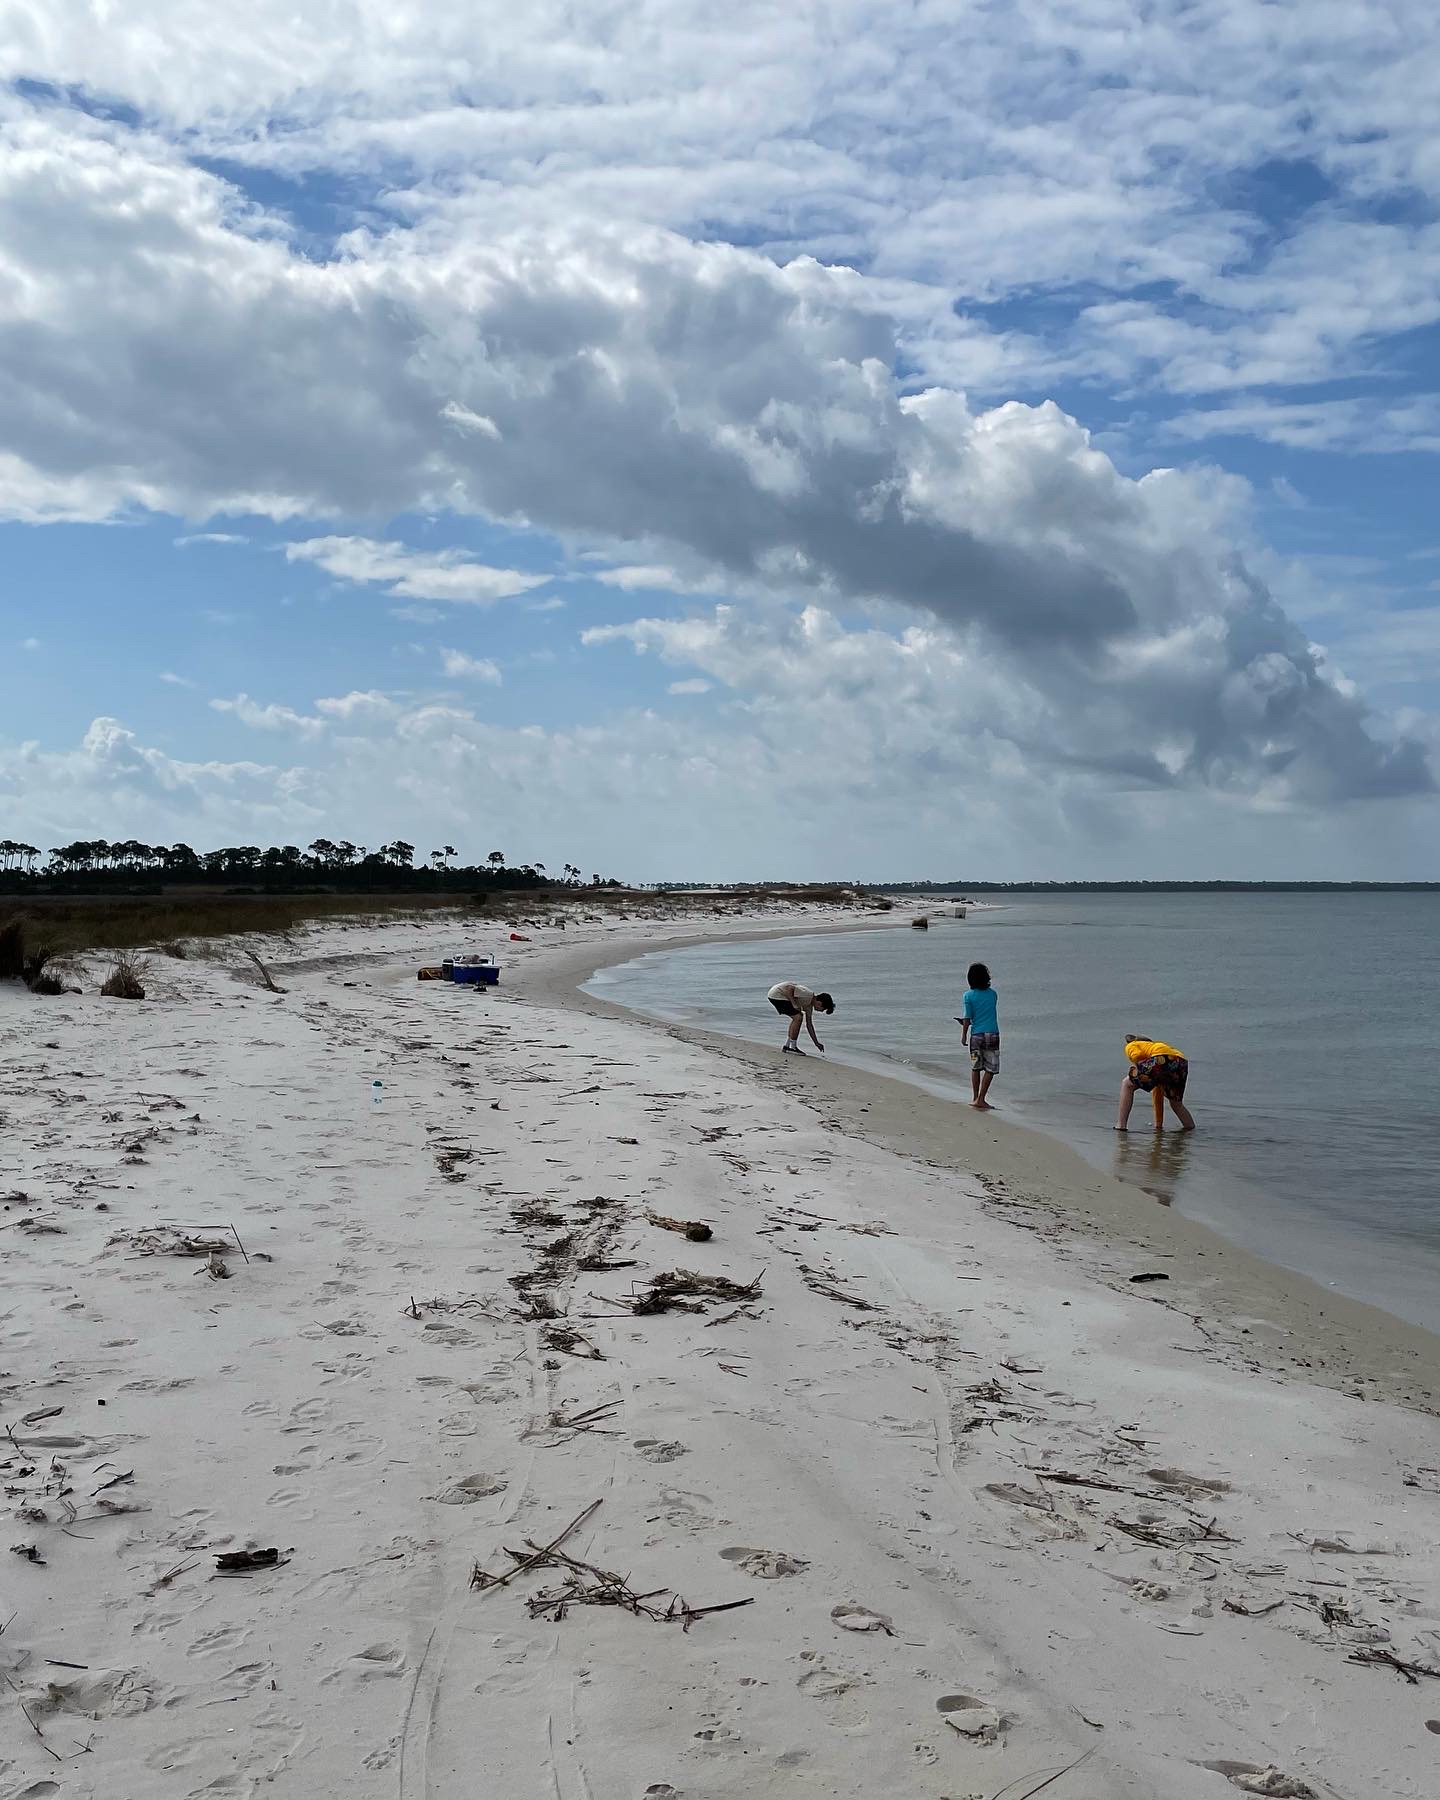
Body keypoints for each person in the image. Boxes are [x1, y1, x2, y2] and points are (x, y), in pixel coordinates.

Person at [1116, 1034, 1196, 1132]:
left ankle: (1121, 1126)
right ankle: (1190, 1128)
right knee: (1176, 1103)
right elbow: (1157, 1092)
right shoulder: (1156, 1046)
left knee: (1127, 1084)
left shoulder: (1131, 1045)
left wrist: (1139, 1067)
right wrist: (1158, 1125)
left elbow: (1136, 1055)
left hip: (1162, 1058)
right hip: (1180, 1062)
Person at [956, 961, 1000, 1109]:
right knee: (991, 1068)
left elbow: (969, 1017)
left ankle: (975, 1098)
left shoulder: (967, 996)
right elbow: (985, 1013)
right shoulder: (993, 994)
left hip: (976, 1037)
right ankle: (981, 1098)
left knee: (976, 1067)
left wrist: (963, 1034)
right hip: (992, 1035)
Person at [767, 980, 835, 1054]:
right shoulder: (807, 994)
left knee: (797, 1017)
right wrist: (794, 1004)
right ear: (819, 1003)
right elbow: (789, 988)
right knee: (798, 1017)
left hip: (777, 996)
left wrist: (816, 1043)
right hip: (777, 995)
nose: (822, 1011)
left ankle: (787, 1045)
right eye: (823, 1009)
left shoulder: (809, 1006)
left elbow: (809, 1025)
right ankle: (793, 1047)